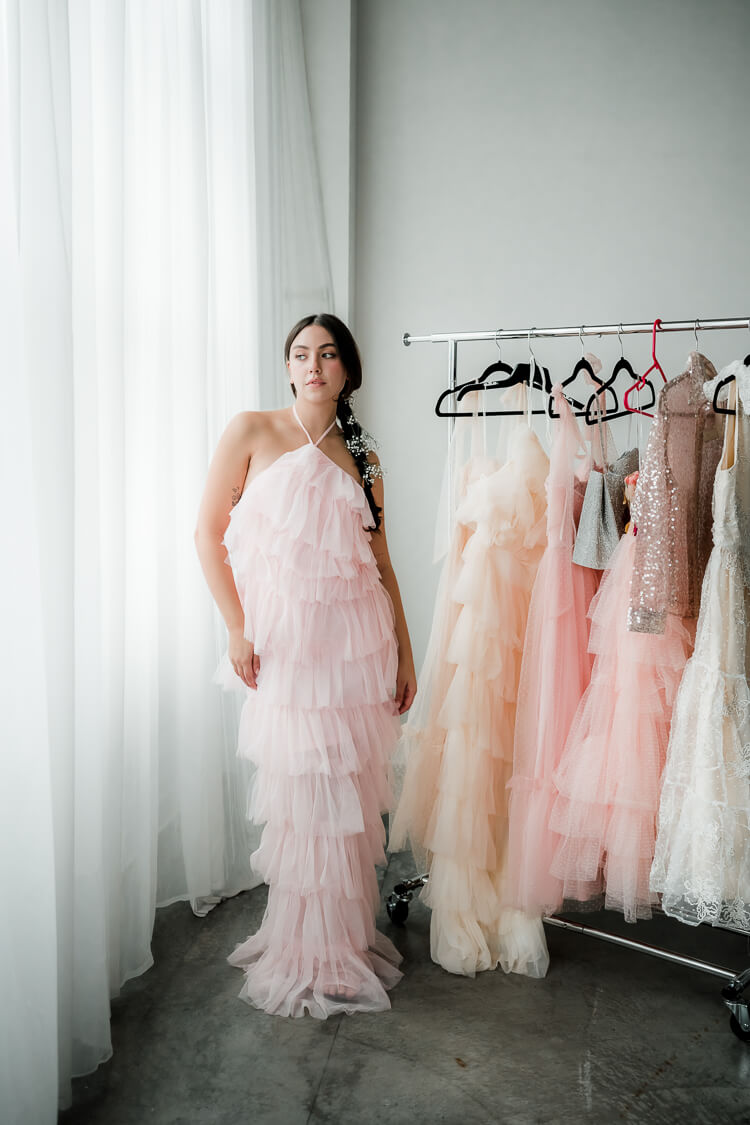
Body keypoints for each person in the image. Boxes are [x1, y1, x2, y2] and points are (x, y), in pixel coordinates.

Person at [194, 313, 416, 1018]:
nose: (313, 364)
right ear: (287, 366)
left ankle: (342, 943)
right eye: (301, 353)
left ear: (347, 370)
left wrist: (406, 654)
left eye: (327, 354)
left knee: (347, 801)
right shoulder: (252, 431)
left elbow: (382, 564)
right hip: (287, 654)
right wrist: (235, 626)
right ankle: (301, 946)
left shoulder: (365, 457)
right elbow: (206, 534)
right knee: (300, 798)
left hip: (353, 651)